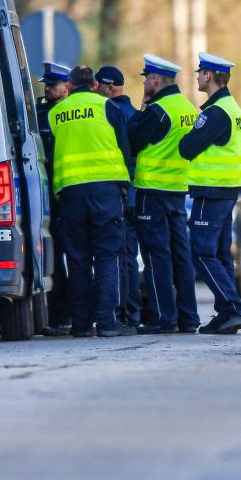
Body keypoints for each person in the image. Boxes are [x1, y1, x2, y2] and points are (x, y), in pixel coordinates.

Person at [49, 65, 133, 337]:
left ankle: (81, 324)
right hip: (106, 191)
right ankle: (108, 323)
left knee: (77, 259)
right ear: (95, 85)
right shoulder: (109, 108)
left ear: (70, 86)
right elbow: (124, 147)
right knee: (107, 256)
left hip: (71, 193)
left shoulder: (55, 114)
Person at [178, 53, 241, 334]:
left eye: (200, 72)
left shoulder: (215, 113)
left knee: (201, 253)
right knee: (221, 254)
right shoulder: (232, 108)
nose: (197, 76)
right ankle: (226, 315)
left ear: (209, 76)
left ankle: (235, 308)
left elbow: (187, 148)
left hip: (209, 192)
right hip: (224, 191)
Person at [127, 55, 200, 334]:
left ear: (155, 81)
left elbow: (132, 140)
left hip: (152, 191)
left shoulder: (158, 111)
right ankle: (188, 317)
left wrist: (143, 107)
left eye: (147, 79)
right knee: (181, 256)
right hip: (178, 190)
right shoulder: (188, 108)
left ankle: (163, 318)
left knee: (157, 256)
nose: (145, 82)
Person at [96, 65, 143, 328]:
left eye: (99, 86)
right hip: (133, 194)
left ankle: (126, 315)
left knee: (122, 259)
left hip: (122, 196)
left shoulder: (112, 113)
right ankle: (132, 314)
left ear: (110, 88)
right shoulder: (133, 113)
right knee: (128, 257)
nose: (95, 91)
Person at [36, 62, 72, 335]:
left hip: (69, 192)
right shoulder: (39, 114)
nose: (47, 89)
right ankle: (59, 314)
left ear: (67, 87)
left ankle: (74, 313)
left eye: (52, 84)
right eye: (46, 84)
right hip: (48, 194)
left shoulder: (70, 115)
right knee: (54, 258)